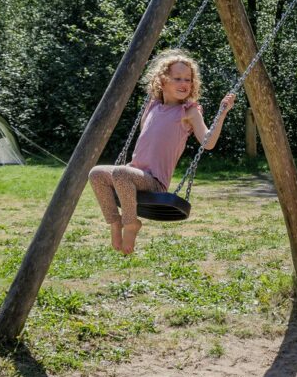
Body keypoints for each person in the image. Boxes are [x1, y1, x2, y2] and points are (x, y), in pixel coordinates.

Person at [88, 49, 235, 254]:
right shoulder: (152, 106)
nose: (184, 83)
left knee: (121, 173)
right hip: (133, 173)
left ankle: (131, 224)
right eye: (177, 78)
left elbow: (208, 142)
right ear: (162, 81)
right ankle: (115, 221)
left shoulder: (189, 111)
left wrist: (222, 113)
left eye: (188, 79)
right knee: (96, 173)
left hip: (154, 181)